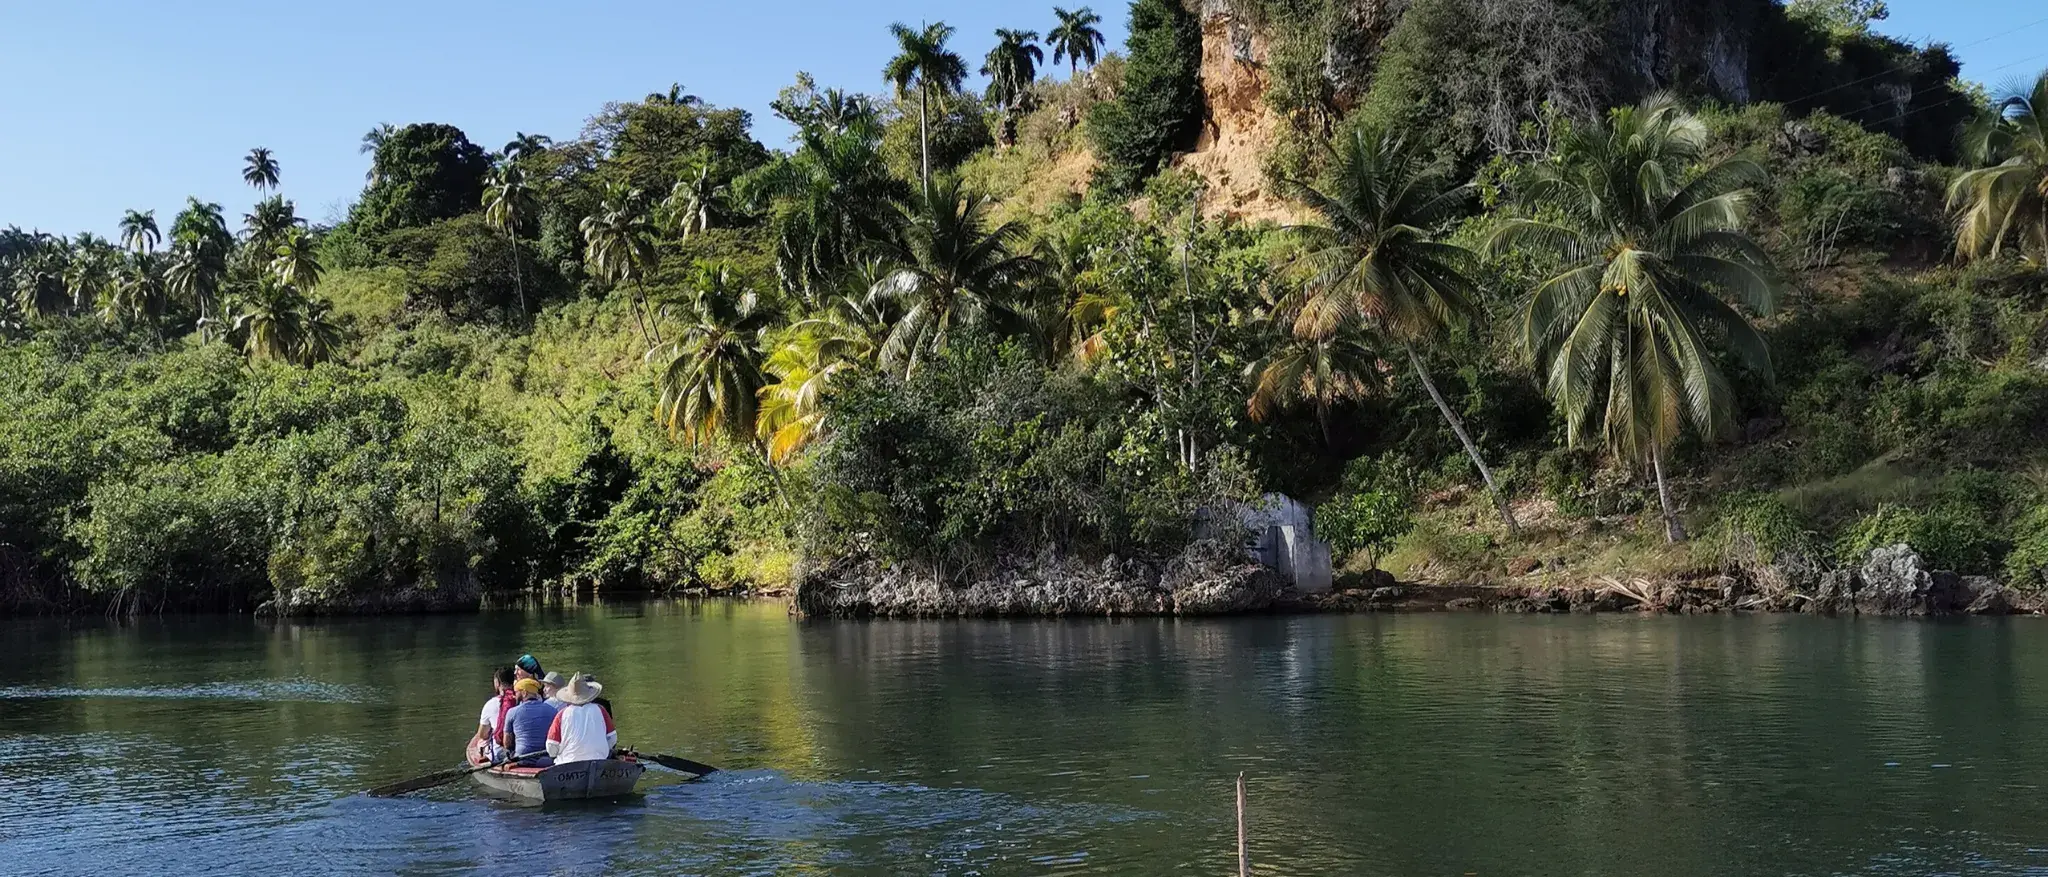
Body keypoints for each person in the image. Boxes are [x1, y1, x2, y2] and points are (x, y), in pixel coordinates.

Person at [546, 673, 617, 765]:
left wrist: (557, 754)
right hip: (599, 761)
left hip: (567, 763)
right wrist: (603, 750)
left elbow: (551, 746)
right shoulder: (601, 710)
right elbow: (612, 738)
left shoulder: (561, 714)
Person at [499, 678, 557, 767]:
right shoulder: (553, 710)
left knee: (499, 754)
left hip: (522, 758)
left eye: (516, 692)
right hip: (546, 758)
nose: (514, 695)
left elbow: (507, 743)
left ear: (524, 693)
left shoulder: (512, 712)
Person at [472, 666, 517, 762]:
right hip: (521, 749)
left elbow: (483, 735)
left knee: (481, 743)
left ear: (497, 683)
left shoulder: (490, 705)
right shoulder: (522, 698)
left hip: (501, 753)